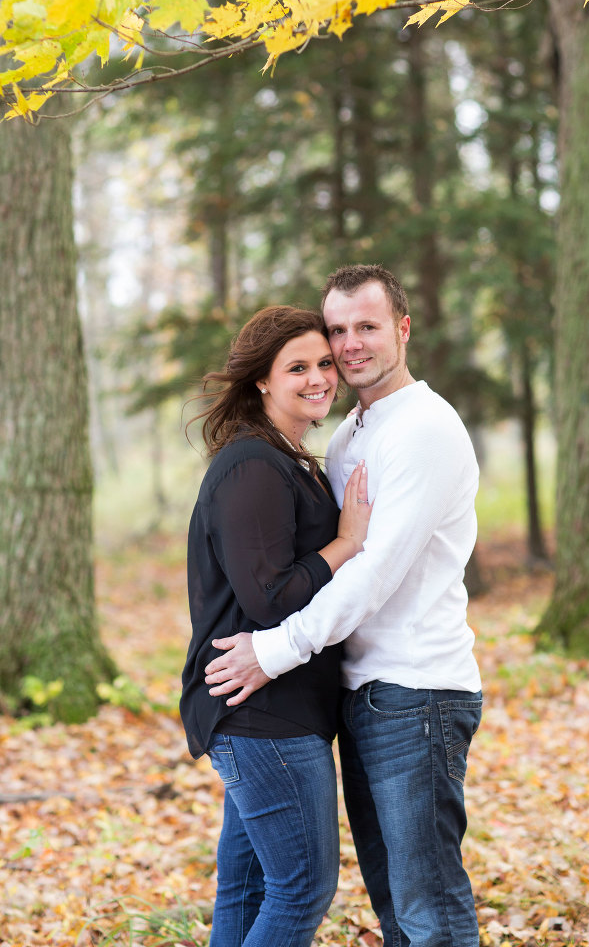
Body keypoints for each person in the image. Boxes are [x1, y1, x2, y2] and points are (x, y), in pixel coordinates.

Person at [205, 266, 483, 947]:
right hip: (362, 693)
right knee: (396, 906)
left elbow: (374, 570)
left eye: (368, 326)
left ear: (403, 329)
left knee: (429, 910)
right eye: (339, 331)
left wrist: (274, 649)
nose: (351, 345)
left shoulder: (422, 428)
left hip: (416, 694)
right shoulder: (350, 433)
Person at [179, 305, 371, 947]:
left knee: (248, 889)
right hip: (263, 715)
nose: (319, 377)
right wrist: (345, 544)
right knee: (302, 890)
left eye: (324, 364)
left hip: (272, 709)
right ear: (262, 379)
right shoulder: (252, 465)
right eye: (298, 367)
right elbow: (268, 598)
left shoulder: (286, 460)